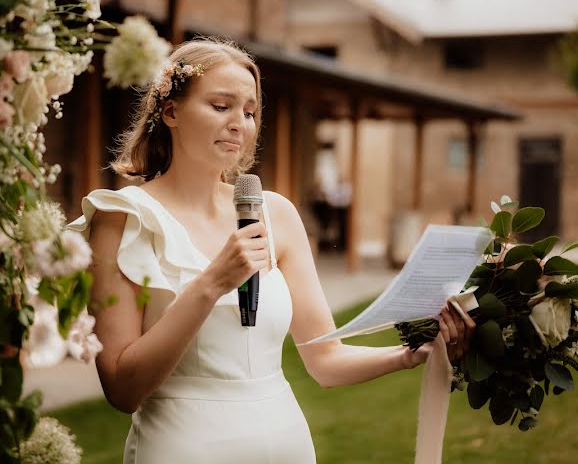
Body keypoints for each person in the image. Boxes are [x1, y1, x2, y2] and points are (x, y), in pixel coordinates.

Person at [68, 38, 474, 463]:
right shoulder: (121, 218)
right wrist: (211, 285)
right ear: (170, 111)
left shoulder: (276, 214)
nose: (239, 124)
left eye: (249, 112)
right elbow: (122, 389)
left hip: (286, 444)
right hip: (184, 447)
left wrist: (414, 353)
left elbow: (325, 359)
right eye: (220, 106)